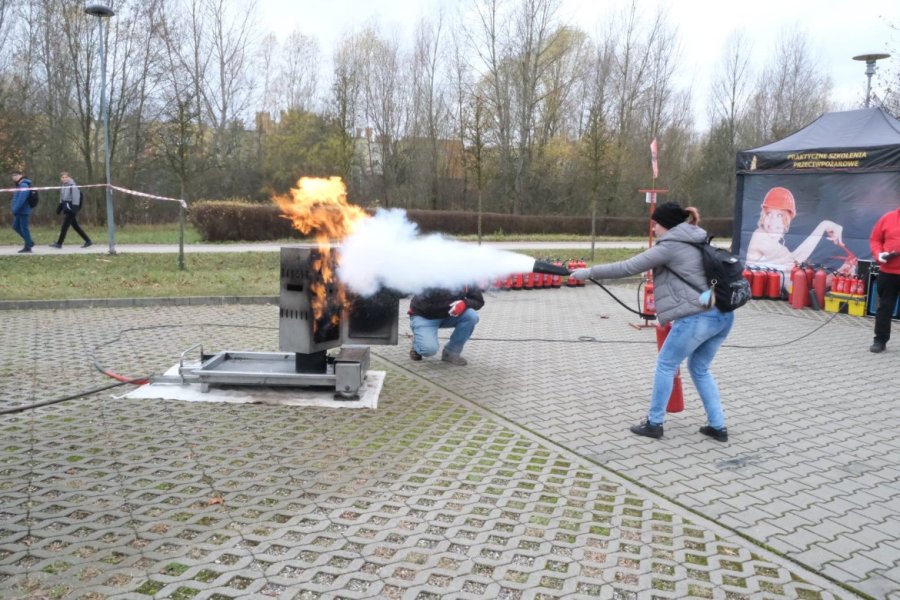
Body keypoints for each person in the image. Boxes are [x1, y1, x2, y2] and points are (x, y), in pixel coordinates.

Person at [571, 202, 733, 442]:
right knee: (699, 368)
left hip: (698, 317)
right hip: (724, 315)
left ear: (666, 225)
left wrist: (589, 272)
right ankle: (717, 426)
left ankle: (654, 423)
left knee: (666, 365)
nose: (653, 229)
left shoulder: (670, 246)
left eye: (655, 224)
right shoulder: (698, 238)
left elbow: (627, 267)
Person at [745, 186, 846, 292]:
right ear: (763, 216)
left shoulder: (776, 246)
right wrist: (823, 226)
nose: (772, 221)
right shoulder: (760, 236)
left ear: (787, 221)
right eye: (769, 213)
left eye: (779, 215)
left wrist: (828, 279)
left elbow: (789, 280)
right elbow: (794, 260)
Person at [408, 285, 485, 366]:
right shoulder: (430, 277)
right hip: (425, 316)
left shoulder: (466, 277)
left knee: (471, 316)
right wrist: (451, 304)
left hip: (450, 314)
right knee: (428, 350)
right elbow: (427, 304)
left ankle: (451, 353)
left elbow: (479, 301)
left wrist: (464, 303)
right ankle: (417, 344)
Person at [868, 207, 900, 353]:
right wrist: (878, 254)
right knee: (885, 308)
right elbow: (875, 239)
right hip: (889, 273)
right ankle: (880, 340)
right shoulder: (888, 217)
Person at [50, 172, 92, 249]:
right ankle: (88, 241)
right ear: (61, 179)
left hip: (71, 209)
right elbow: (62, 198)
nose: (64, 179)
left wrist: (74, 209)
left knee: (64, 226)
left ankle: (59, 243)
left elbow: (76, 198)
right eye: (63, 177)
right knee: (76, 226)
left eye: (66, 177)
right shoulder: (63, 186)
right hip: (67, 208)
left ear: (69, 178)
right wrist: (59, 207)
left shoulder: (73, 186)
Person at [10, 169, 35, 254]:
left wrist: (15, 209)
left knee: (24, 228)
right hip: (19, 211)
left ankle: (28, 246)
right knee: (15, 226)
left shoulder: (24, 185)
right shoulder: (19, 184)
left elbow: (21, 199)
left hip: (23, 210)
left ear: (21, 175)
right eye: (13, 175)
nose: (14, 177)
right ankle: (29, 242)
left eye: (16, 175)